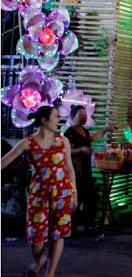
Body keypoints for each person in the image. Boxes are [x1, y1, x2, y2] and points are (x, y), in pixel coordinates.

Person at [2, 105, 77, 277]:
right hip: (38, 196)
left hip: (62, 193)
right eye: (56, 117)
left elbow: (70, 168)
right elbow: (3, 162)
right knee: (36, 240)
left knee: (58, 235)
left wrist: (74, 193)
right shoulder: (28, 142)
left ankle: (49, 273)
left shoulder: (62, 140)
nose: (58, 120)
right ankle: (39, 260)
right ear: (44, 120)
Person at [63, 105, 113, 234]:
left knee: (91, 197)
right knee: (76, 199)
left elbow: (94, 136)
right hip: (75, 170)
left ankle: (87, 224)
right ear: (72, 117)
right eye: (80, 115)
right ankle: (71, 228)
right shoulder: (70, 132)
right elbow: (67, 151)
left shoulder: (84, 131)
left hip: (86, 170)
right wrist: (81, 150)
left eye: (85, 115)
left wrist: (107, 129)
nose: (84, 117)